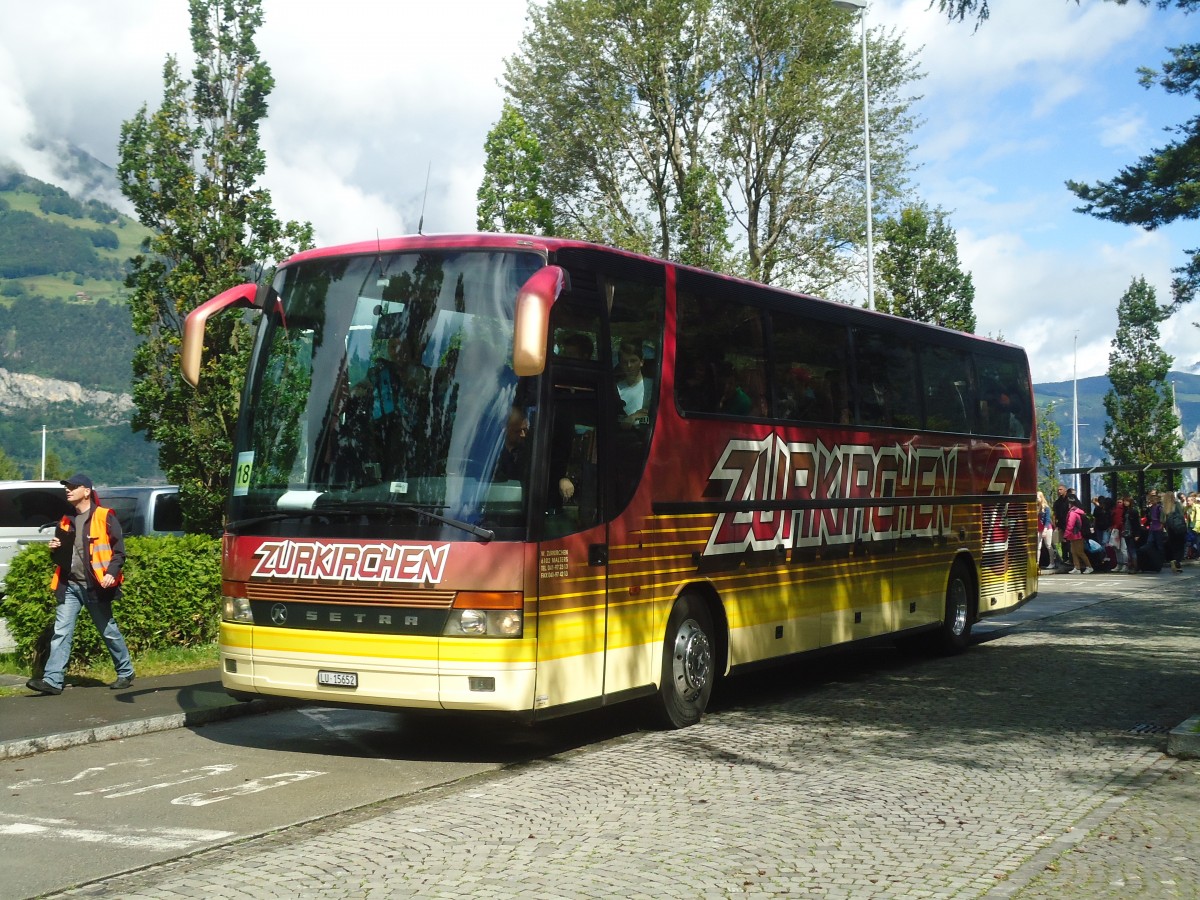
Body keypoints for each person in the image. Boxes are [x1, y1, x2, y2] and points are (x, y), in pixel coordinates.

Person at [26, 474, 134, 696]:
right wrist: (55, 548)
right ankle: (53, 681)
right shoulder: (66, 520)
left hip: (95, 586)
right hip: (70, 585)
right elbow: (62, 556)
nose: (68, 490)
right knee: (61, 633)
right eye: (67, 487)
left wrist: (111, 574)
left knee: (109, 631)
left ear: (86, 491)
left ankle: (126, 671)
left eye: (73, 487)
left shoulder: (104, 517)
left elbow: (119, 552)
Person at [614, 340, 652, 425]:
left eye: (633, 361)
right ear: (620, 364)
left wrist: (634, 417)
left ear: (641, 362)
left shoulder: (653, 386)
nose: (629, 366)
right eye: (625, 362)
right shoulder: (615, 389)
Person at [1063, 493, 1091, 575]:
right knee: (1074, 552)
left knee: (1079, 552)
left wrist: (1065, 535)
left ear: (1070, 504)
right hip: (1076, 535)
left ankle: (1089, 567)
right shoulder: (1078, 511)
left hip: (1076, 535)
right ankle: (1077, 567)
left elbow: (1070, 525)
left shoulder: (1073, 513)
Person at [1162, 491, 1188, 574]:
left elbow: (1162, 520)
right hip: (1179, 528)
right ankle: (1177, 563)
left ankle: (1174, 561)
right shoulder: (1177, 504)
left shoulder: (1164, 507)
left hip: (1170, 529)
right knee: (1180, 546)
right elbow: (1181, 515)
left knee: (1173, 546)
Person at [1120, 493, 1142, 574]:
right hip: (1126, 532)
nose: (1125, 503)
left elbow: (1137, 524)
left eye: (1127, 501)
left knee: (1132, 550)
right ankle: (1131, 565)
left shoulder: (1133, 511)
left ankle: (1135, 567)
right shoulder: (1125, 511)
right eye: (1124, 501)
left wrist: (1137, 534)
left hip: (1132, 532)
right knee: (1129, 549)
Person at [1036, 491, 1055, 572]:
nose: (1036, 499)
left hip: (1046, 528)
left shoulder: (1046, 508)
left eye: (1037, 497)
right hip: (1038, 528)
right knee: (1038, 546)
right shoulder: (1035, 507)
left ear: (1041, 497)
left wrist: (1045, 530)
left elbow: (1047, 520)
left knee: (1048, 545)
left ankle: (1052, 562)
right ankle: (1037, 563)